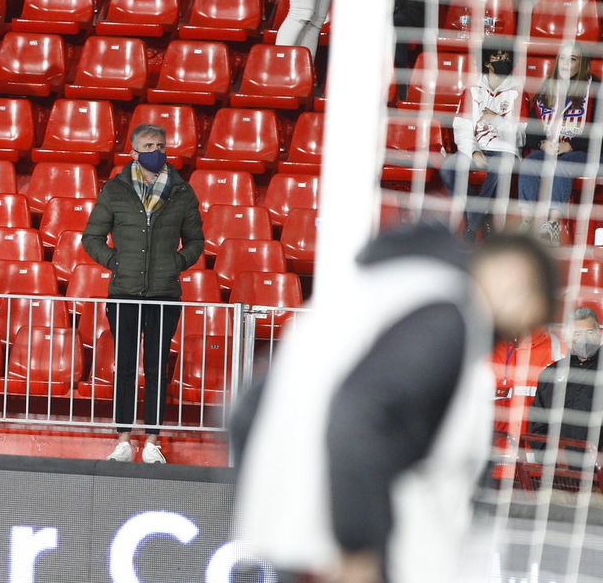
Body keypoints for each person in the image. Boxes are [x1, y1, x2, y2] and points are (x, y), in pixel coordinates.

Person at [234, 229, 557, 582]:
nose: (516, 332)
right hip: (346, 549)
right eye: (528, 317)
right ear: (517, 276)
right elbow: (357, 417)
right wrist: (356, 546)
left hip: (300, 536)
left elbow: (246, 409)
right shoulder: (445, 315)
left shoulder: (383, 291)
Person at [82, 122, 204, 463]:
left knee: (156, 368)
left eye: (161, 145)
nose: (156, 152)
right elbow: (91, 237)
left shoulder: (182, 192)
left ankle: (152, 441)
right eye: (148, 146)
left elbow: (197, 242)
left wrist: (177, 262)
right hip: (124, 292)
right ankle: (123, 440)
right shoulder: (115, 191)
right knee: (125, 366)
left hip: (164, 294)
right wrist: (115, 261)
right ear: (133, 152)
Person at [441, 43, 523, 239]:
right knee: (447, 169)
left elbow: (521, 136)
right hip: (475, 148)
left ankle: (472, 223)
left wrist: (497, 120)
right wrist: (473, 151)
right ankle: (482, 215)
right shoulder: (472, 92)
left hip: (506, 150)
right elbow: (461, 129)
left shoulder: (519, 93)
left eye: (506, 58)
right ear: (487, 62)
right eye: (498, 57)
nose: (504, 62)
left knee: (502, 165)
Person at [518, 49, 594, 240]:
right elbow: (531, 130)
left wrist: (570, 146)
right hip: (550, 149)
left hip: (586, 152)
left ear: (582, 63)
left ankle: (552, 226)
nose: (567, 63)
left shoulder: (596, 87)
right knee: (529, 163)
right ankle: (527, 223)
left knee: (561, 165)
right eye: (563, 58)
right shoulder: (548, 87)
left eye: (573, 59)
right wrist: (542, 143)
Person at [529, 306, 603, 457]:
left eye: (590, 332)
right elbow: (538, 420)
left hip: (597, 471)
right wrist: (549, 456)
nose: (585, 338)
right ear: (568, 339)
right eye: (578, 333)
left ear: (599, 334)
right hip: (558, 473)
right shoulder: (551, 374)